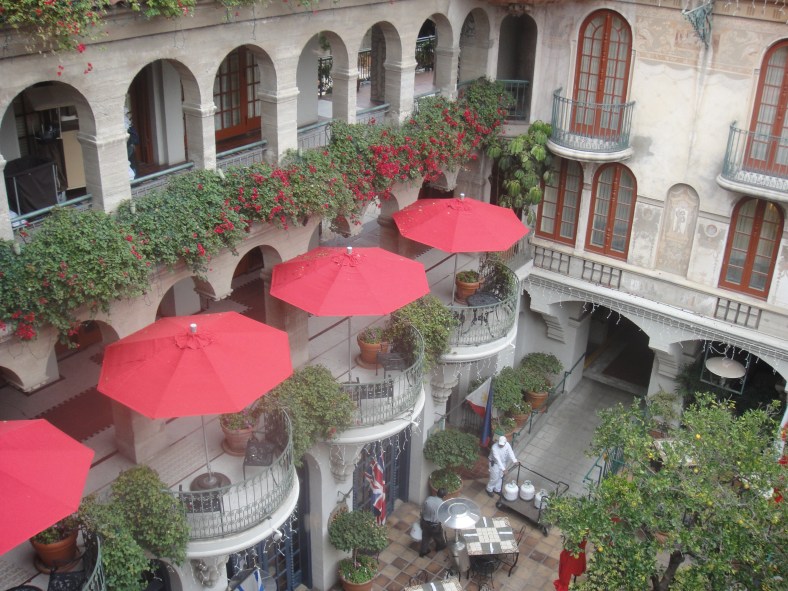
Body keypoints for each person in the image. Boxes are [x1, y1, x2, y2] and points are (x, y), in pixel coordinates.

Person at [419, 487, 447, 557]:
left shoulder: (429, 499)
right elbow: (442, 516)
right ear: (444, 496)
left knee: (425, 537)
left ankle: (423, 551)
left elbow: (423, 510)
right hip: (435, 525)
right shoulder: (442, 504)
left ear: (436, 493)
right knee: (438, 536)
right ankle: (440, 546)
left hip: (425, 522)